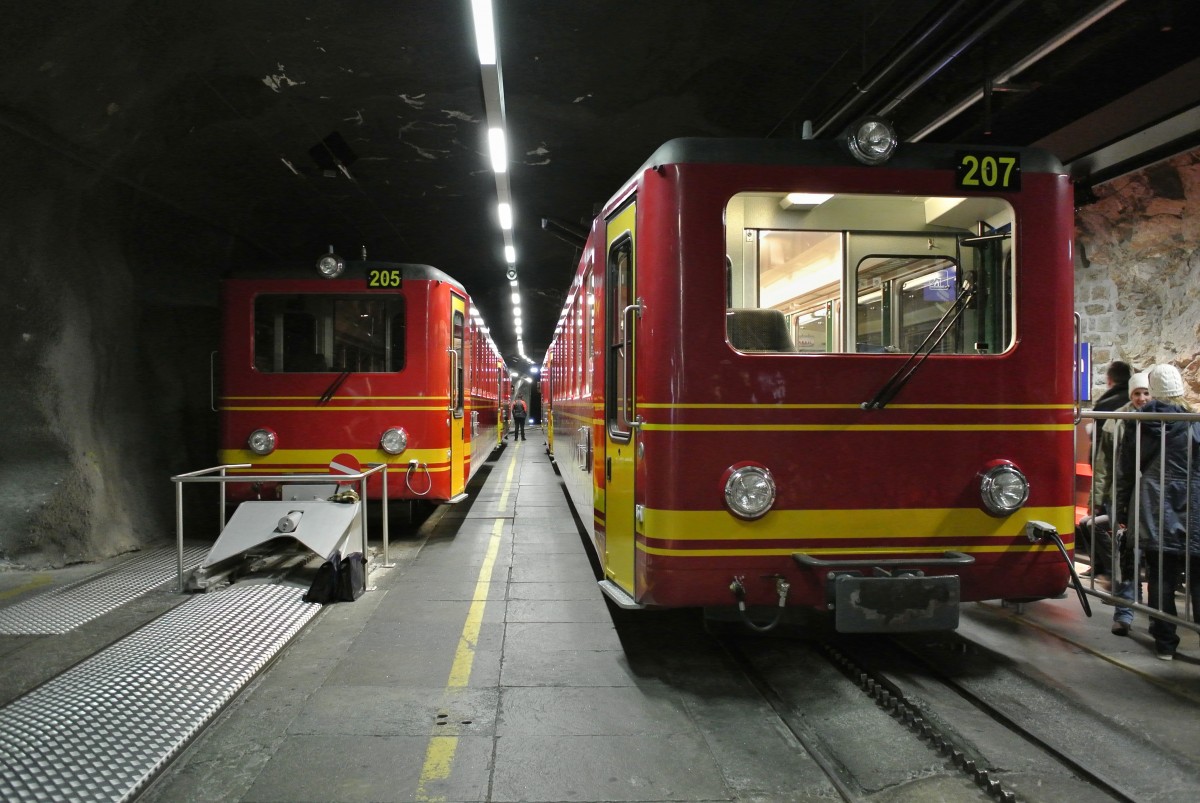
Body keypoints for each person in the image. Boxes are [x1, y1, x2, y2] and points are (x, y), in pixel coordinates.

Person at [1115, 363, 1199, 660]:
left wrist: (1120, 508)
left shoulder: (1142, 423)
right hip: (1194, 507)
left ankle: (1165, 643)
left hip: (1155, 505)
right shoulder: (1196, 420)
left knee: (1160, 576)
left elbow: (1126, 471)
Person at [1092, 371, 1150, 634]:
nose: (1141, 398)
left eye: (1146, 393)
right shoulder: (1116, 421)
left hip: (1151, 497)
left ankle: (1157, 617)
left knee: (1154, 557)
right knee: (1125, 553)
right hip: (1123, 497)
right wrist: (1098, 496)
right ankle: (1124, 613)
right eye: (1137, 393)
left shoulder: (1161, 421)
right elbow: (1103, 465)